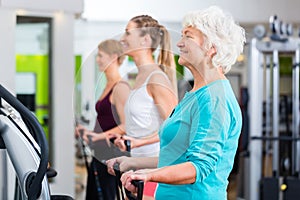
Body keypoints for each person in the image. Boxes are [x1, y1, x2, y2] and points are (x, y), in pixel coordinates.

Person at [106, 6, 246, 200]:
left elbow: (198, 168)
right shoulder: (195, 95)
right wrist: (134, 165)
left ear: (212, 48)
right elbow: (174, 157)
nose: (179, 43)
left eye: (188, 37)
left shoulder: (215, 98)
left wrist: (147, 175)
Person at [108, 15, 178, 198]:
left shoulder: (156, 79)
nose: (122, 39)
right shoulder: (139, 77)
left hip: (153, 168)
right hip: (136, 164)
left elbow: (175, 131)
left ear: (145, 40)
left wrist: (139, 141)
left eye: (128, 33)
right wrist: (127, 137)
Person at [75, 39, 130, 200]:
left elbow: (126, 125)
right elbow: (105, 119)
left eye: (101, 56)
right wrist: (88, 132)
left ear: (114, 56)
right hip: (99, 153)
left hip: (112, 156)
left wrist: (100, 136)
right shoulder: (107, 86)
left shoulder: (121, 87)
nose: (97, 60)